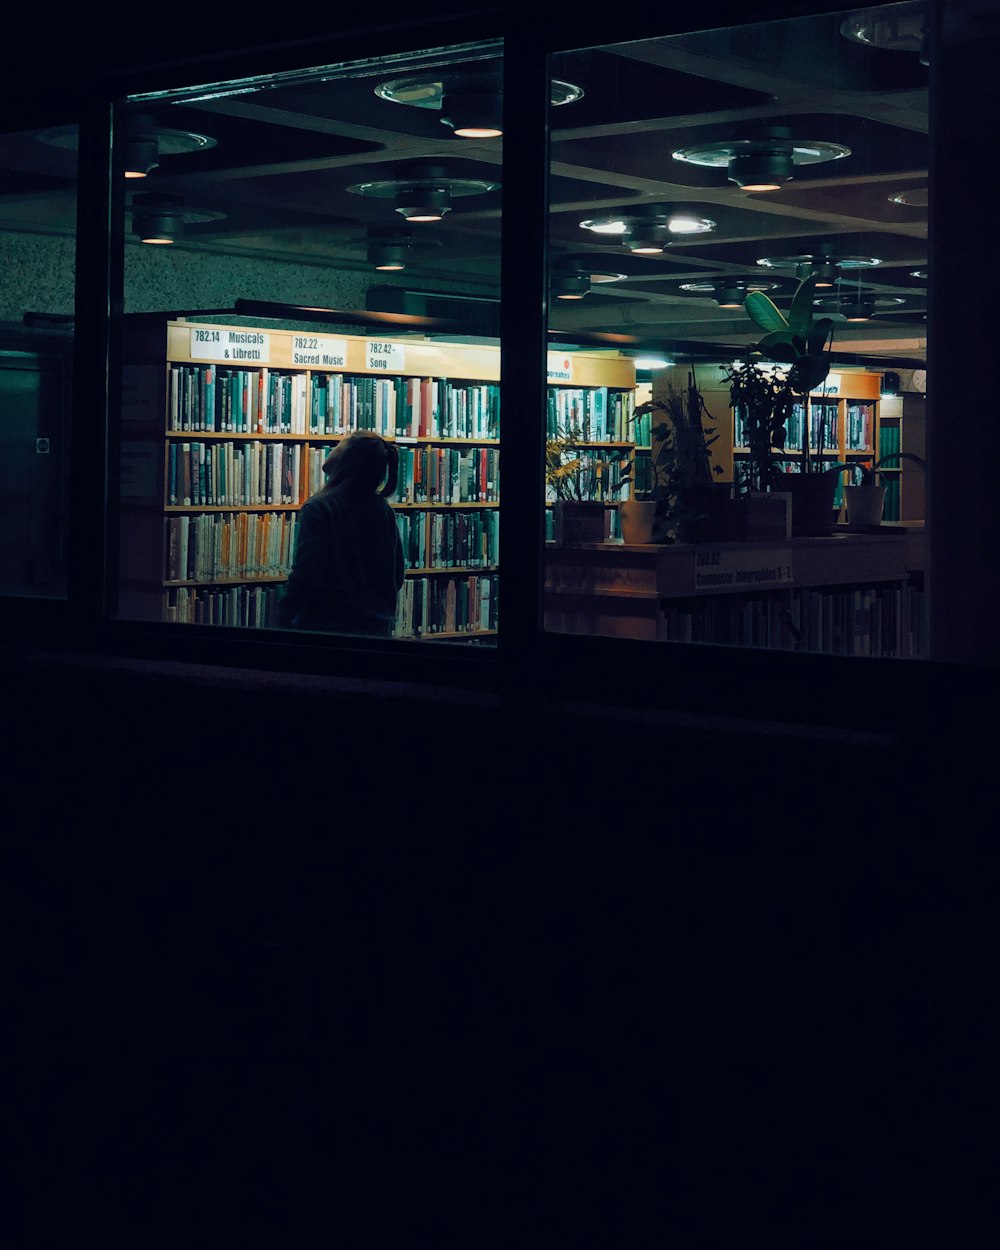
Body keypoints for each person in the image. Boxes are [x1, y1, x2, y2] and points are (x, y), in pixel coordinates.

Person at [276, 430, 404, 636]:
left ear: (348, 457)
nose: (333, 446)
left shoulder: (319, 508)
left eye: (339, 443)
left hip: (325, 630)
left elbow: (306, 575)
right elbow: (396, 575)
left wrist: (281, 618)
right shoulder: (383, 509)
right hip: (375, 631)